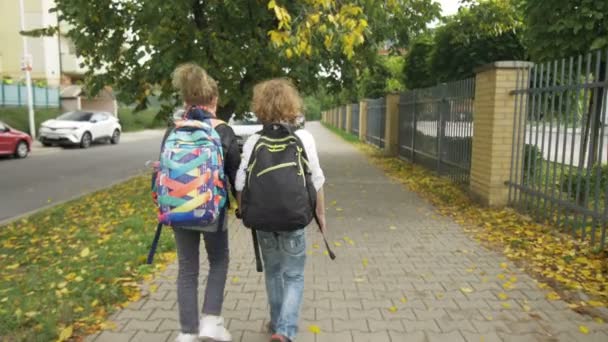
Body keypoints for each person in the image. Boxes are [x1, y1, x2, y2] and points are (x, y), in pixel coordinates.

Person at [235, 79, 326, 342]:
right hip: (295, 217)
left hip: (263, 220)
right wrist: (321, 215)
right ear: (291, 104)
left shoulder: (254, 140)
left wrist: (245, 213)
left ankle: (277, 324)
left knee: (273, 273)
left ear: (260, 106)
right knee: (294, 275)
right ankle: (285, 331)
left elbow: (241, 182)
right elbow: (317, 179)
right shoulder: (304, 138)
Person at [167, 63, 240, 342]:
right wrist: (241, 205)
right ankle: (211, 322)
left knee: (187, 268)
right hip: (212, 210)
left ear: (186, 100)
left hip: (179, 208)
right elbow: (235, 176)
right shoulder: (223, 131)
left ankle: (186, 333)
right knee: (219, 260)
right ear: (214, 99)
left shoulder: (175, 129)